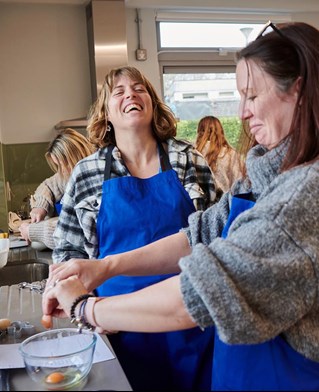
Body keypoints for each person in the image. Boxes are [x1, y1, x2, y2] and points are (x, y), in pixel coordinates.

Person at [43, 21, 319, 391]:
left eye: (252, 96)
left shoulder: (300, 196)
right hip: (142, 328)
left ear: (298, 91)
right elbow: (200, 234)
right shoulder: (261, 175)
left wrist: (86, 310)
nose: (242, 112)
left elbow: (204, 292)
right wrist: (104, 268)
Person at [50, 66, 217, 390]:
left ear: (152, 102)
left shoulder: (188, 159)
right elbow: (66, 253)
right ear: (106, 113)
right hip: (117, 326)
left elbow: (215, 233)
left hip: (192, 321)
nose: (131, 94)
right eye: (119, 91)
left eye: (139, 88)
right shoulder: (88, 172)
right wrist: (82, 303)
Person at [19, 128, 94, 250]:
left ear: (75, 156)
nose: (62, 170)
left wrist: (31, 231)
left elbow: (75, 231)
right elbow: (47, 185)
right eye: (58, 165)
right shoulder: (69, 174)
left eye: (63, 164)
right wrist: (41, 206)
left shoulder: (93, 179)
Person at [195, 115, 243, 195]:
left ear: (199, 131)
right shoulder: (231, 154)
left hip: (199, 202)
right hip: (225, 202)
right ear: (221, 131)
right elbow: (239, 182)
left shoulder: (192, 152)